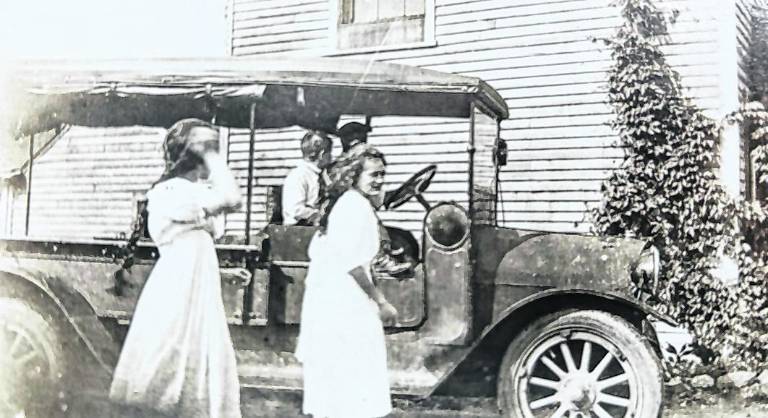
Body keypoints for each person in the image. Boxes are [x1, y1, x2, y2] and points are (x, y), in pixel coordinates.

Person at [109, 118, 243, 418]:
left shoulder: (192, 190)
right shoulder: (172, 191)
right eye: (209, 150)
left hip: (195, 285)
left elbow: (195, 247)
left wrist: (223, 274)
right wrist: (210, 153)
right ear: (193, 154)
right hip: (179, 288)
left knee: (192, 360)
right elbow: (233, 198)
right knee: (169, 359)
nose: (214, 156)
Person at [296, 144, 399, 418]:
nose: (378, 181)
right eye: (373, 175)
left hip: (341, 296)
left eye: (382, 175)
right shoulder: (353, 206)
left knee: (348, 380)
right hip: (343, 299)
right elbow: (352, 264)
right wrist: (381, 300)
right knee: (349, 378)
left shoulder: (353, 202)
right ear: (354, 175)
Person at [282, 131, 332, 225]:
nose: (331, 157)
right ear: (322, 154)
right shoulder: (298, 175)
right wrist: (321, 215)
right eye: (329, 153)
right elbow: (295, 210)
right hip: (299, 230)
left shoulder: (321, 175)